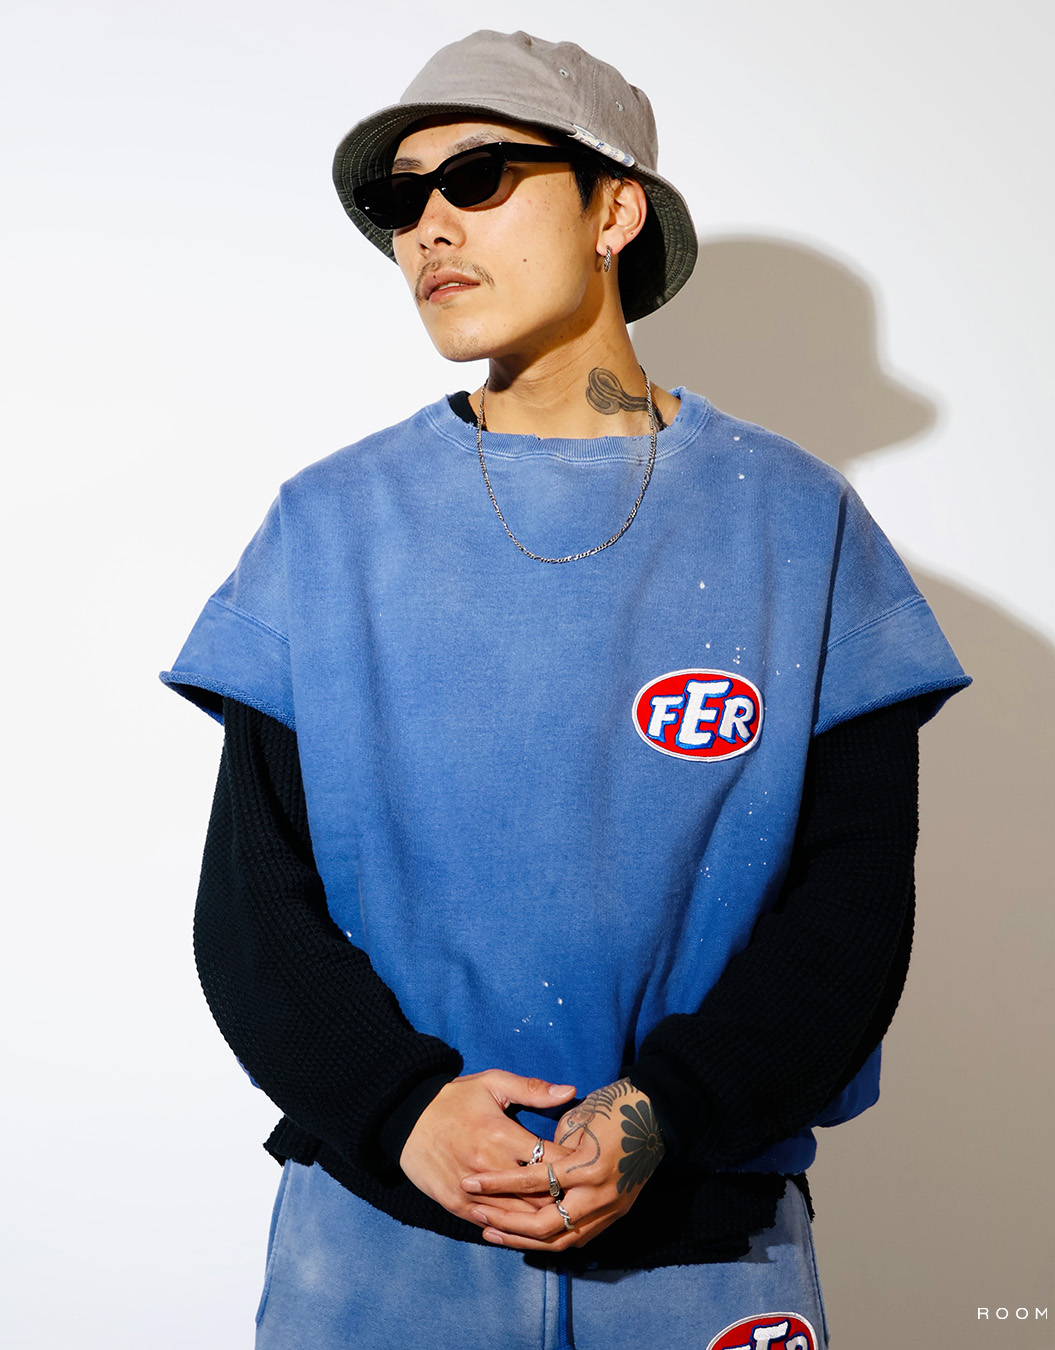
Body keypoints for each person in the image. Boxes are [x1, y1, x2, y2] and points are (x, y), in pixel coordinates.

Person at [162, 29, 970, 1350]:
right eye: (399, 200)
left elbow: (854, 906)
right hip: (381, 1255)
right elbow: (252, 910)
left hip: (703, 1253)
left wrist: (664, 1113)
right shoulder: (329, 529)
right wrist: (404, 1109)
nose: (429, 227)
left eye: (478, 177)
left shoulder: (797, 525)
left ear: (615, 210)